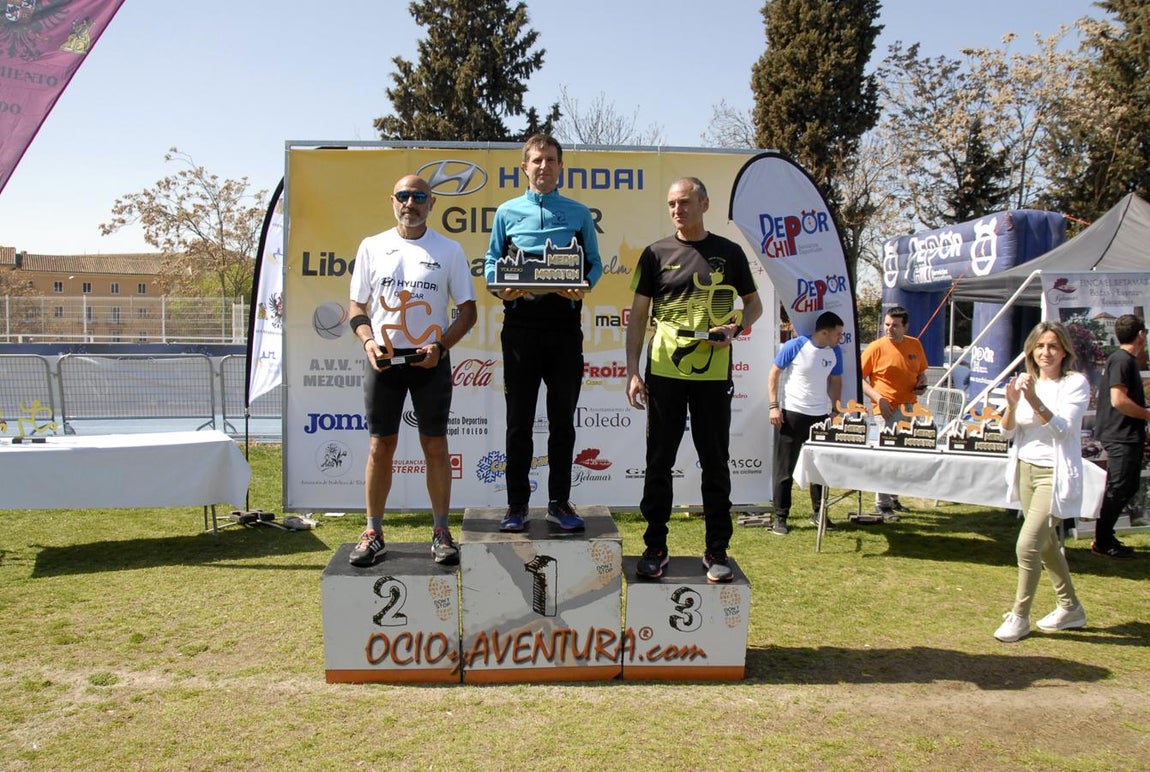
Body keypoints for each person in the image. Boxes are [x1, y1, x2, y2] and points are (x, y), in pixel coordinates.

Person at [625, 177, 763, 583]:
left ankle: (716, 549)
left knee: (715, 462)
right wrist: (633, 370)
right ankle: (655, 545)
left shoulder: (729, 252)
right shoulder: (655, 253)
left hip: (713, 373)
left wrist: (735, 328)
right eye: (671, 204)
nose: (677, 210)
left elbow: (753, 306)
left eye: (684, 202)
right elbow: (637, 317)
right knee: (658, 461)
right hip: (665, 370)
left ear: (704, 202)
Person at [346, 174, 478, 567]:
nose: (411, 203)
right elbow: (356, 308)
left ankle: (440, 532)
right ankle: (373, 532)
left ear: (431, 203)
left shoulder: (449, 250)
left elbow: (467, 312)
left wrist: (440, 347)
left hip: (430, 360)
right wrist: (369, 342)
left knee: (435, 447)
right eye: (403, 196)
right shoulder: (372, 246)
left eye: (419, 196)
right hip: (384, 361)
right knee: (379, 446)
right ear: (393, 201)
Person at [484, 134, 603, 533]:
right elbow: (490, 264)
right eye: (536, 160)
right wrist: (501, 287)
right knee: (518, 422)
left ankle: (559, 503)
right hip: (520, 328)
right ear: (524, 167)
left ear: (560, 166)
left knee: (562, 423)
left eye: (551, 160)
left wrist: (583, 285)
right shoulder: (506, 212)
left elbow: (596, 265)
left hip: (564, 329)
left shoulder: (578, 212)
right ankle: (516, 505)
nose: (543, 166)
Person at [995, 321, 1089, 642]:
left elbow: (1062, 429)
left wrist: (1033, 399)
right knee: (1046, 544)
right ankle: (1070, 606)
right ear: (1031, 351)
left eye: (1052, 346)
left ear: (1064, 351)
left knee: (1028, 544)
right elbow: (1007, 431)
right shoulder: (1026, 382)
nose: (1045, 353)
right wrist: (1011, 403)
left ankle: (1019, 616)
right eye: (1039, 346)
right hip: (1025, 470)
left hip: (1055, 473)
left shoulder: (1075, 384)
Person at [768, 311, 844, 536]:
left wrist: (834, 410)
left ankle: (819, 513)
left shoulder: (835, 351)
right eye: (838, 334)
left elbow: (836, 381)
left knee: (819, 469)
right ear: (824, 332)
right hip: (792, 415)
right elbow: (773, 374)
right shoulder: (795, 345)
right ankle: (780, 517)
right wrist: (773, 406)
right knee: (785, 470)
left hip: (820, 418)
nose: (841, 338)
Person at [860, 306, 928, 520]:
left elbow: (921, 373)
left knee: (902, 456)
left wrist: (922, 384)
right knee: (887, 455)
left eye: (895, 325)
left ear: (905, 326)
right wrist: (878, 398)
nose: (890, 329)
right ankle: (882, 504)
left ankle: (893, 497)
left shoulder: (914, 344)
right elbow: (859, 378)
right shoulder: (875, 347)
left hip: (909, 407)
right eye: (887, 324)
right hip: (885, 409)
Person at [1091, 313, 1150, 558]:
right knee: (1119, 486)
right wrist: (1148, 415)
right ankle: (1102, 540)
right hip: (1120, 434)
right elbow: (1118, 400)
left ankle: (1105, 536)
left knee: (1128, 485)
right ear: (1140, 334)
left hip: (1126, 434)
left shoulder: (1123, 360)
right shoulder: (1122, 360)